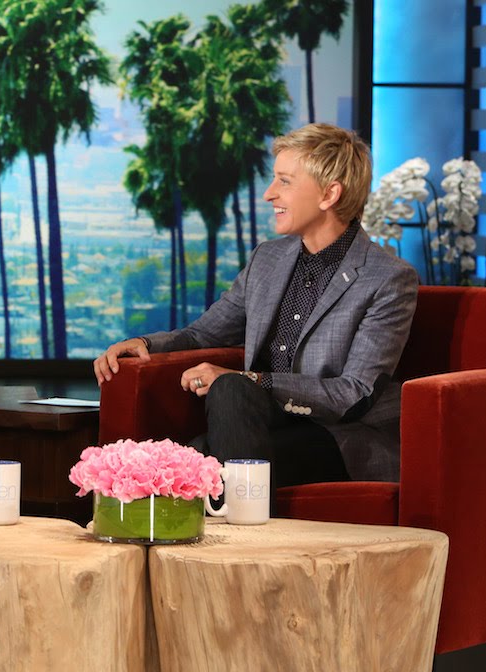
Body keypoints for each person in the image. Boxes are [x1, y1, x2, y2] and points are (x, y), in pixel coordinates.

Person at [93, 123, 419, 491]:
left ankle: (239, 519)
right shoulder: (268, 259)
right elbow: (203, 333)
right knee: (211, 434)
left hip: (339, 436)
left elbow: (354, 394)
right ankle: (249, 525)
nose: (269, 193)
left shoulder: (388, 278)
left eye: (285, 181)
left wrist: (251, 380)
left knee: (207, 439)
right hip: (260, 423)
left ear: (329, 194)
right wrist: (146, 344)